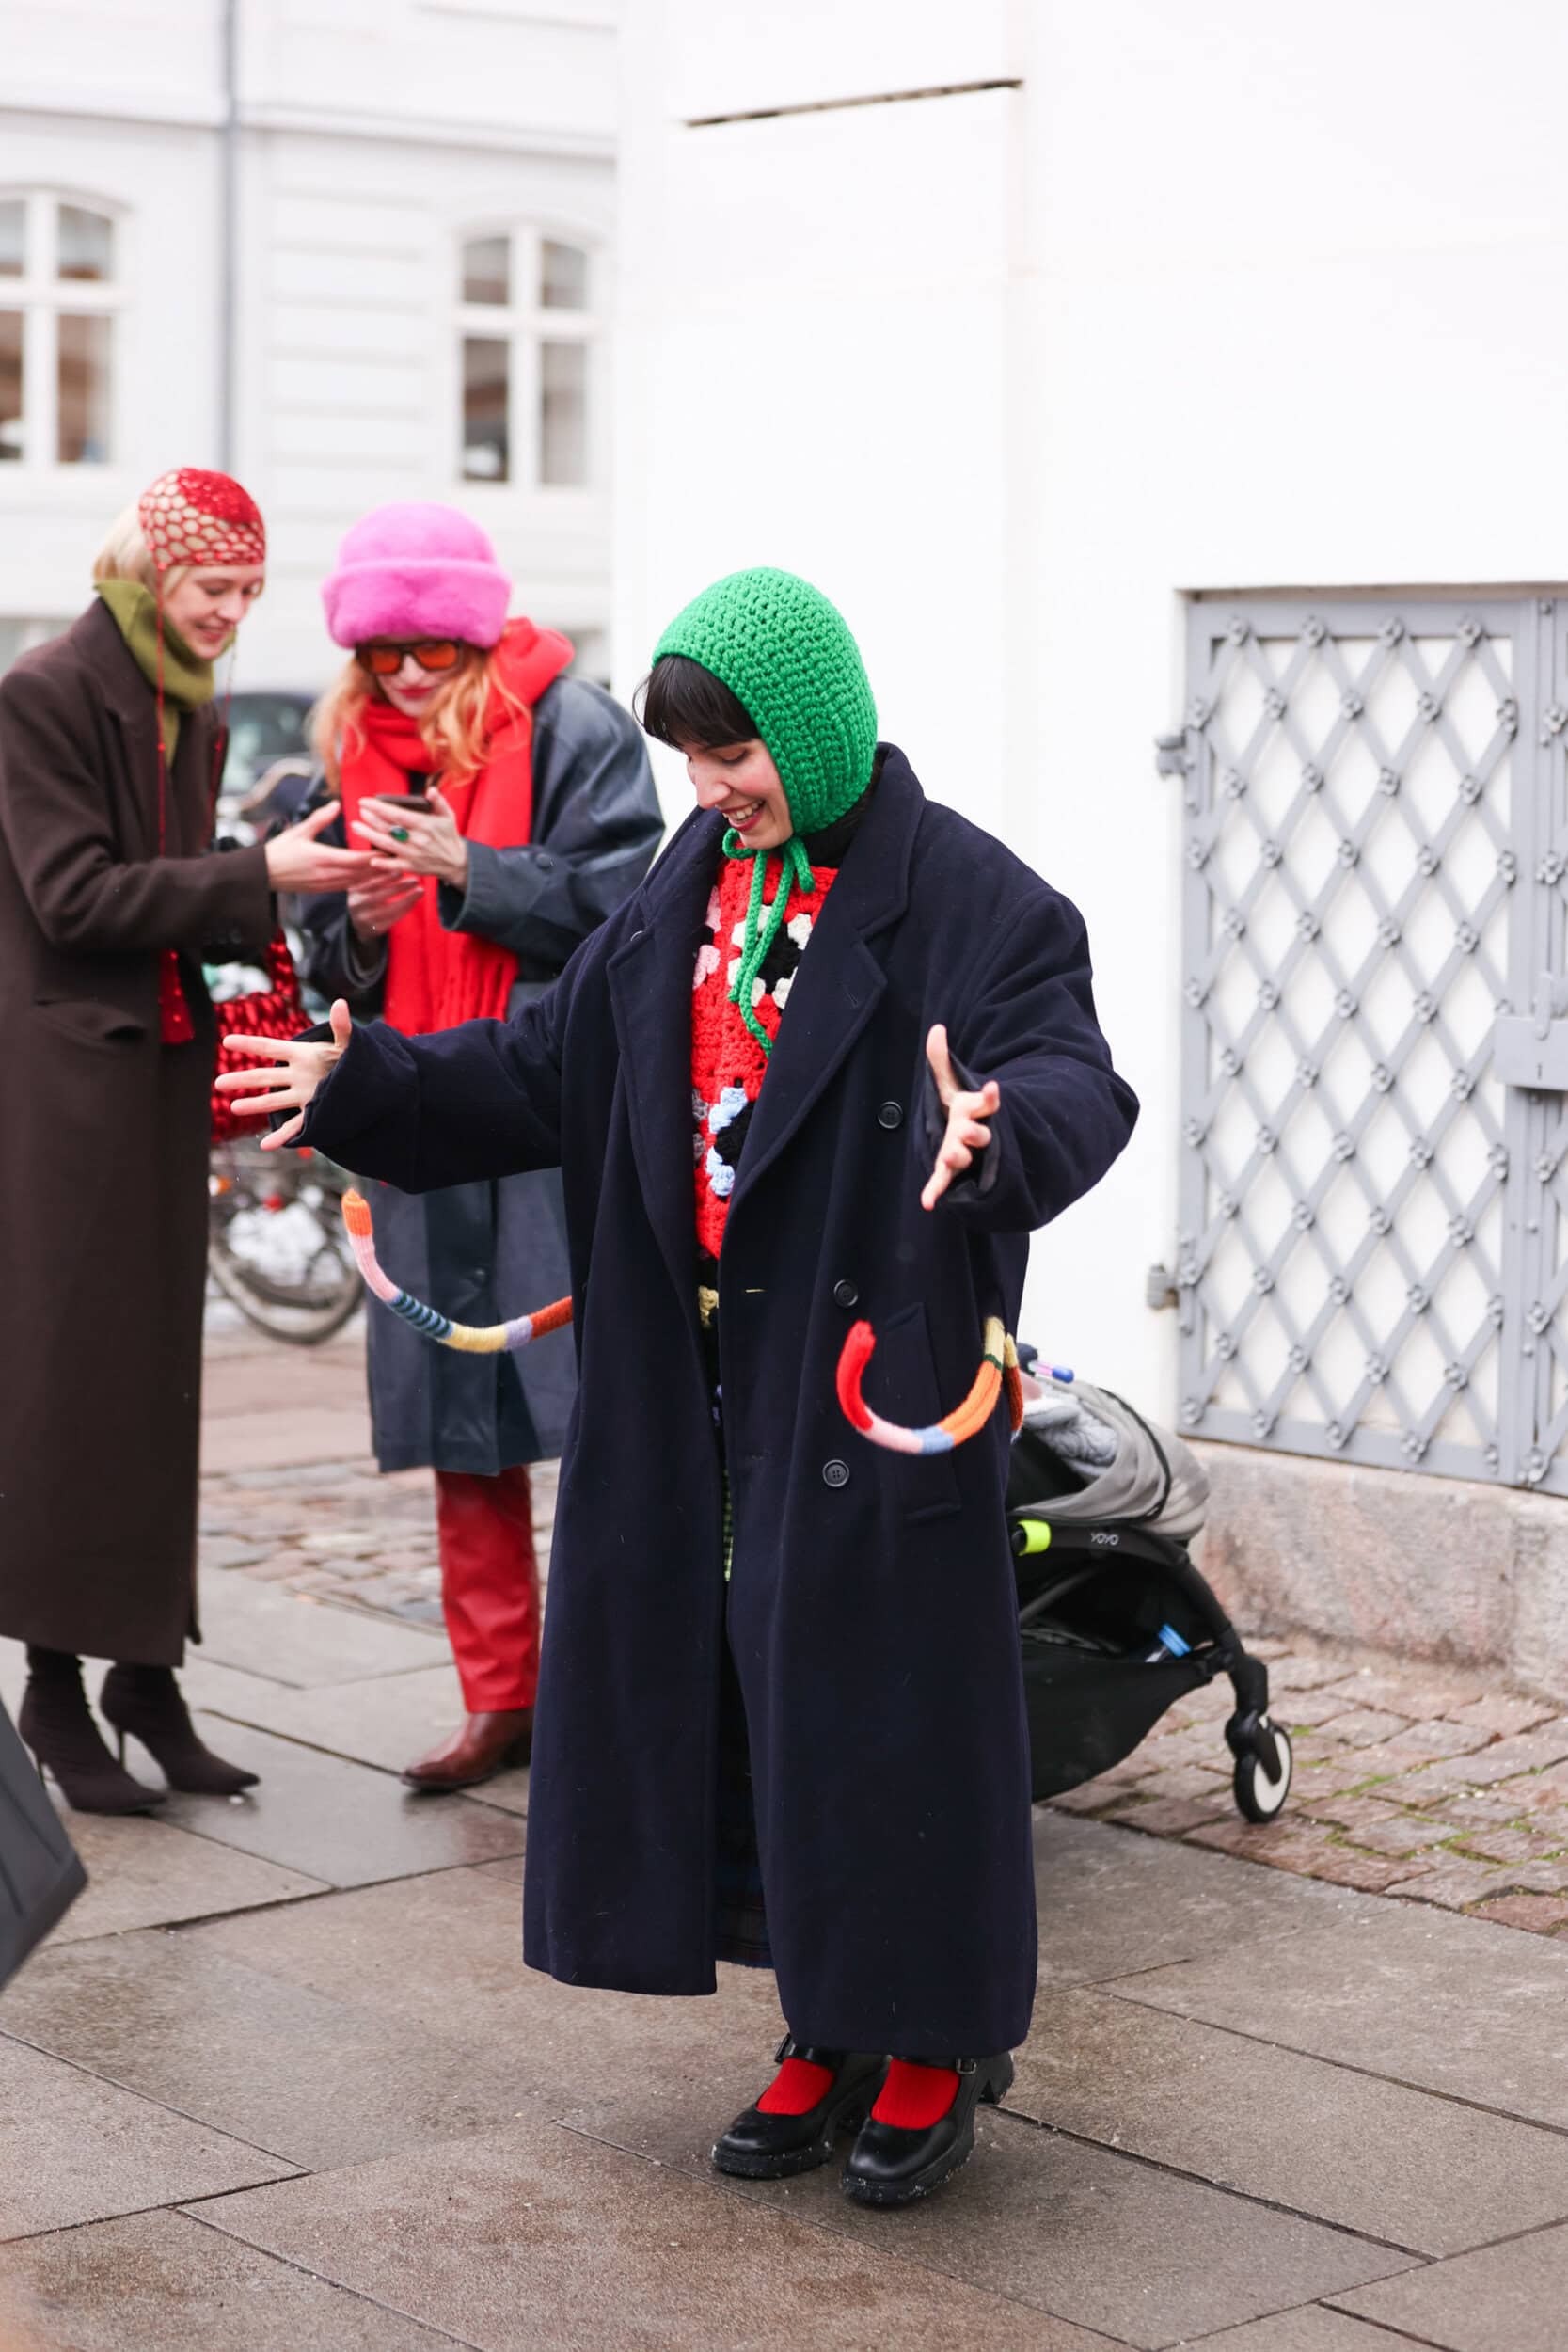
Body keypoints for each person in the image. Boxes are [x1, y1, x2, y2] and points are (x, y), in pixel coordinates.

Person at [220, 567, 1137, 2208]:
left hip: (871, 1387)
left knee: (885, 1719)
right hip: (698, 1388)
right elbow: (545, 1060)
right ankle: (816, 2015)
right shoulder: (688, 882)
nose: (711, 790)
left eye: (735, 756)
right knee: (738, 1698)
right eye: (694, 761)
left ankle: (923, 2039)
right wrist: (365, 1079)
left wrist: (1003, 1128)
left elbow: (1074, 1077)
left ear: (818, 727)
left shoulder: (976, 901)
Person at [0, 468, 374, 1814]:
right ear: (152, 571)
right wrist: (253, 875)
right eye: (215, 588)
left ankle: (145, 1677)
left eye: (248, 593)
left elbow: (180, 892)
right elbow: (76, 896)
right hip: (66, 1094)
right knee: (70, 1389)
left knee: (159, 1387)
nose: (232, 613)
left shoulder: (184, 706)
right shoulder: (43, 693)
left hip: (158, 1076)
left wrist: (312, 875)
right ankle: (51, 1684)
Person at [300, 503, 661, 1791]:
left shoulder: (572, 722)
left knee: (602, 1414)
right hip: (416, 1119)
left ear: (473, 631)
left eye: (429, 648)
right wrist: (359, 925)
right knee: (467, 1433)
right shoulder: (344, 747)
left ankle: (616, 1701)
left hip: (545, 1114)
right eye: (382, 649)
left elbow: (639, 907)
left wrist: (476, 873)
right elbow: (322, 962)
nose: (404, 672)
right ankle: (499, 1700)